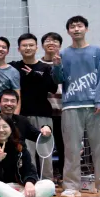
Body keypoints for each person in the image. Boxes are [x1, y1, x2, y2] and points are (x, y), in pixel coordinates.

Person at [53, 15, 100, 197]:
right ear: (68, 31)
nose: (76, 29)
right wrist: (56, 66)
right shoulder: (63, 54)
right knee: (71, 149)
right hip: (70, 106)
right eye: (72, 27)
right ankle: (71, 186)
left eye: (79, 26)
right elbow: (58, 80)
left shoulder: (97, 52)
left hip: (95, 106)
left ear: (86, 29)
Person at [0, 114, 61, 197]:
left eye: (5, 126)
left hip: (18, 187)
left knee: (49, 185)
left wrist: (29, 182)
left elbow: (29, 169)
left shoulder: (19, 147)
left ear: (11, 129)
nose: (1, 130)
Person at [11, 32, 56, 137]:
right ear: (18, 49)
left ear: (36, 48)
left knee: (44, 145)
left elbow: (53, 88)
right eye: (24, 45)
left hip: (42, 114)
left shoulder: (45, 67)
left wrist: (34, 75)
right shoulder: (14, 66)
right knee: (22, 146)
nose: (28, 48)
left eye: (31, 45)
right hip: (20, 115)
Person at [41, 31, 66, 177]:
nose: (51, 43)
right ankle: (45, 176)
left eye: (55, 41)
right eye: (48, 41)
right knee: (45, 145)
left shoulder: (65, 63)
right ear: (42, 45)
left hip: (63, 111)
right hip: (44, 112)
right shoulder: (38, 64)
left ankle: (63, 175)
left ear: (60, 45)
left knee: (63, 145)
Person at [0, 36, 21, 114]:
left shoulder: (13, 72)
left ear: (8, 51)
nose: (0, 49)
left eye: (4, 47)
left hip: (5, 113)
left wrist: (15, 117)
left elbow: (17, 96)